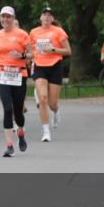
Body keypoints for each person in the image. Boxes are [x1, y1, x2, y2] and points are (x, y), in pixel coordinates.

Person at [0, 6, 32, 158]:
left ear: (14, 18)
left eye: (8, 17)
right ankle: (9, 146)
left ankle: (20, 131)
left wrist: (20, 55)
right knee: (7, 109)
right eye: (3, 17)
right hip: (2, 73)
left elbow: (31, 54)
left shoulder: (22, 34)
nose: (5, 20)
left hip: (19, 74)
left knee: (17, 111)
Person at [29, 7, 72, 142]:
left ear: (52, 19)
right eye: (44, 15)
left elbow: (68, 51)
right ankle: (46, 131)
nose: (47, 17)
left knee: (52, 103)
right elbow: (30, 50)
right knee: (42, 98)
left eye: (49, 15)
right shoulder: (34, 32)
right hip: (39, 67)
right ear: (40, 18)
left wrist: (53, 49)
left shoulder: (58, 31)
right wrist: (29, 61)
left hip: (54, 67)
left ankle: (56, 110)